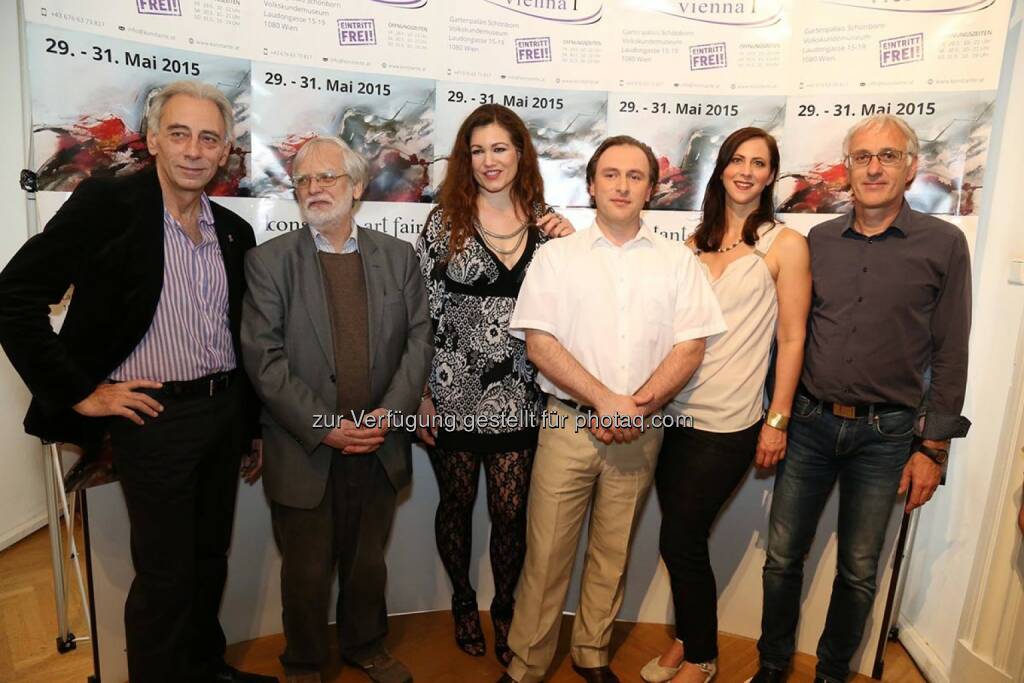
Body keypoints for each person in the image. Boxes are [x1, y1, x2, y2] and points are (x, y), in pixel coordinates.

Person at [0, 80, 271, 683]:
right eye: (179, 134)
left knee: (207, 560)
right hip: (153, 420)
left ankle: (206, 668)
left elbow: (242, 339)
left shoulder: (233, 231)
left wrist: (250, 426)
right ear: (152, 140)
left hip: (222, 413)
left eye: (208, 138)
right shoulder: (107, 207)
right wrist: (81, 392)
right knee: (167, 573)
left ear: (226, 149)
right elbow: (14, 298)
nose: (194, 151)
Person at [748, 114, 972, 683]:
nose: (874, 167)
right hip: (809, 424)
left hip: (888, 436)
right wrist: (774, 416)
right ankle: (772, 668)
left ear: (911, 166)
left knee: (858, 570)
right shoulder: (816, 242)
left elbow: (950, 352)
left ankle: (831, 674)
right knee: (781, 560)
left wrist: (934, 449)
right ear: (846, 169)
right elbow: (788, 336)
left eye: (888, 156)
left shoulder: (944, 244)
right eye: (863, 157)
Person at [497, 135, 727, 683]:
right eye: (611, 174)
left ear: (651, 188)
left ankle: (592, 654)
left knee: (612, 551)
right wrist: (608, 402)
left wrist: (636, 408)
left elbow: (690, 345)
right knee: (546, 556)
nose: (622, 186)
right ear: (591, 183)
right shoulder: (555, 258)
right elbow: (540, 344)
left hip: (641, 431)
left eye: (635, 176)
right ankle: (527, 663)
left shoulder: (677, 261)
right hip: (568, 426)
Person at [241, 136, 432, 683]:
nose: (314, 189)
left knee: (367, 561)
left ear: (356, 187)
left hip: (378, 443)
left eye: (327, 177)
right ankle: (303, 662)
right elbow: (264, 358)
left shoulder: (398, 257)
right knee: (304, 571)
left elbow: (419, 339)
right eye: (303, 180)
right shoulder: (269, 262)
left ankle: (366, 645)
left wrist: (389, 414)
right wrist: (326, 427)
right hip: (304, 448)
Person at [642, 128, 811, 683]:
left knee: (680, 537)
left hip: (732, 421)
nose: (746, 170)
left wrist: (777, 420)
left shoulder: (785, 245)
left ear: (770, 176)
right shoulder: (694, 242)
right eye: (737, 159)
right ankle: (688, 639)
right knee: (680, 535)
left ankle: (702, 656)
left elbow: (792, 339)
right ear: (720, 168)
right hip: (676, 415)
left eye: (758, 163)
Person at [414, 104, 573, 666]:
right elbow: (422, 315)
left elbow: (576, 306)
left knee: (510, 513)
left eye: (499, 148)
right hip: (453, 390)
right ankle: (462, 600)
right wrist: (423, 394)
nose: (488, 161)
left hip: (522, 394)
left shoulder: (550, 225)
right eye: (477, 150)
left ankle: (506, 609)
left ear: (520, 153)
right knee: (455, 505)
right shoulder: (442, 221)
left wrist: (572, 241)